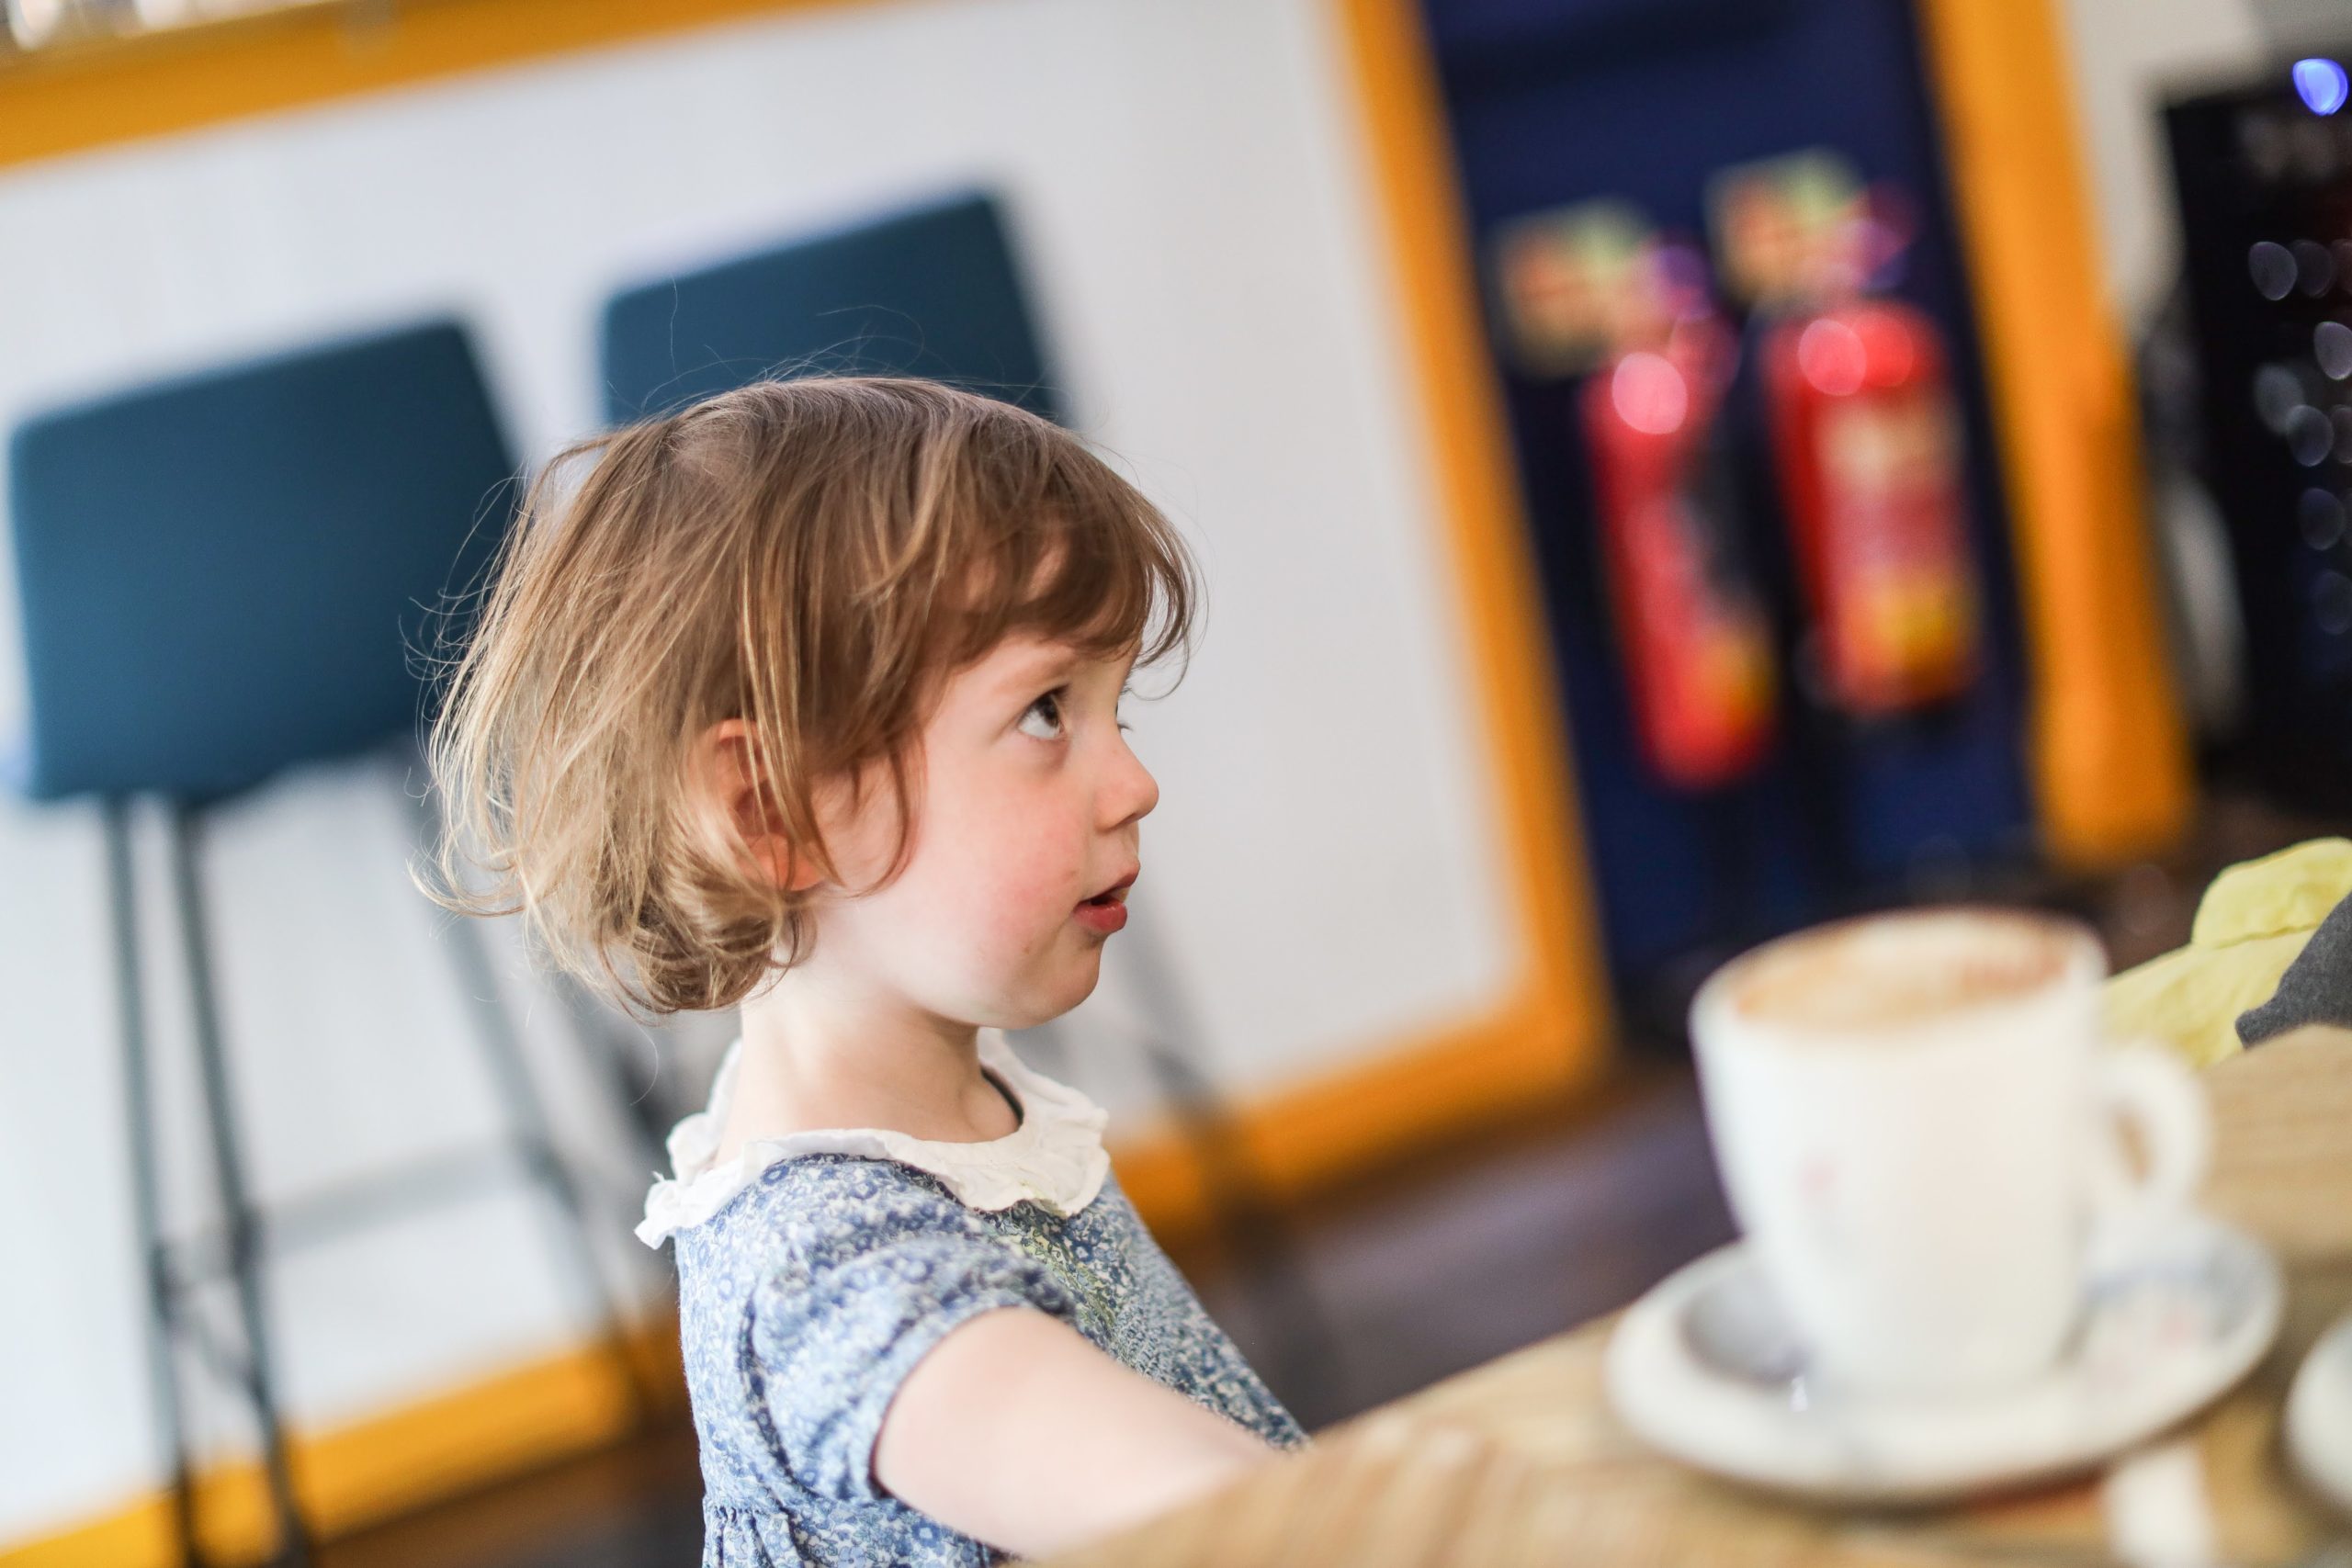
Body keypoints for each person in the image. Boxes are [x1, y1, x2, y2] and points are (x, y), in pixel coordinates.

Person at [414, 377, 1306, 1565]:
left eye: (1116, 710)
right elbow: (1244, 1524)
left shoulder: (929, 1113)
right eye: (1047, 711)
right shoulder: (833, 1284)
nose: (1135, 785)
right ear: (772, 812)